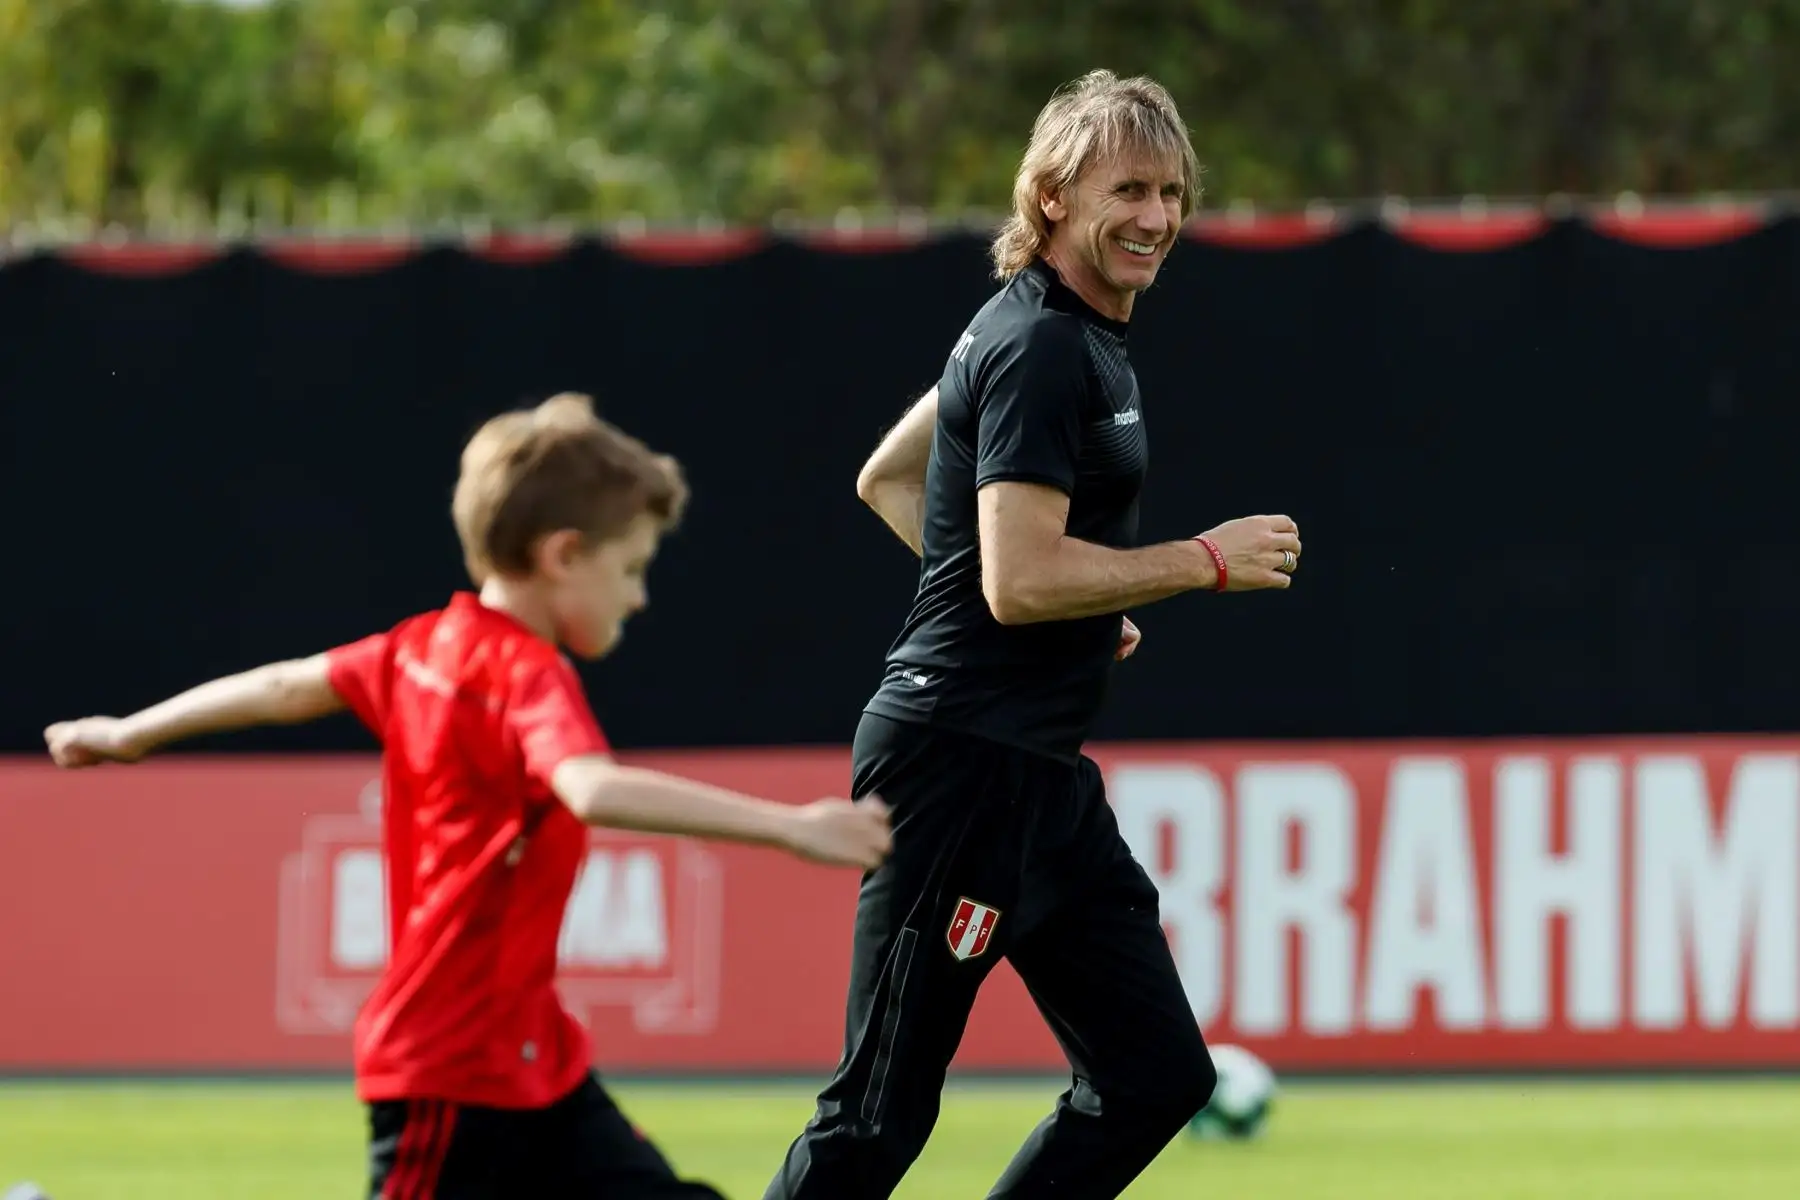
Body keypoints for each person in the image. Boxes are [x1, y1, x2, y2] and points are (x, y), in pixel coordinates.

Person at [44, 393, 893, 1199]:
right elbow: (590, 788)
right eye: (630, 569)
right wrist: (791, 828)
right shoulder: (526, 673)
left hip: (536, 1071)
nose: (637, 596)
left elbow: (281, 684)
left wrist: (131, 732)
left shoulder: (419, 648)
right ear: (562, 555)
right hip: (450, 1070)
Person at [762, 71, 1303, 1200]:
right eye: (1128, 190)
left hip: (1038, 778)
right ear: (1052, 197)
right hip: (958, 765)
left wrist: (1086, 601)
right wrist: (1197, 563)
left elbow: (890, 478)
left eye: (1172, 192)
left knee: (1155, 1076)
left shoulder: (1048, 331)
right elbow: (1015, 581)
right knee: (875, 1121)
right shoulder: (1045, 349)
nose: (1157, 217)